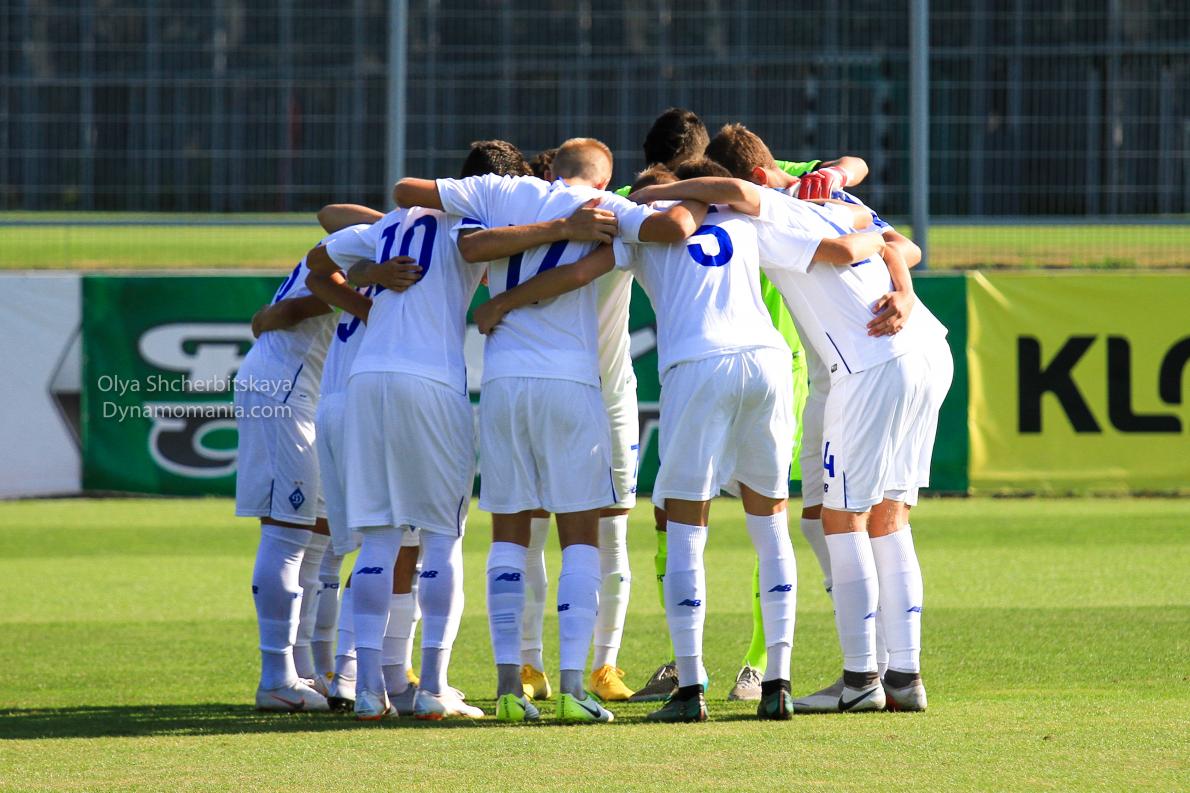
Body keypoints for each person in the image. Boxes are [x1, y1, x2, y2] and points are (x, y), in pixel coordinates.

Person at [633, 132, 951, 712]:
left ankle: (862, 681)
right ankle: (903, 676)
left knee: (842, 521)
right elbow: (894, 242)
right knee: (885, 517)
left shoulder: (770, 211)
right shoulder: (829, 197)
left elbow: (759, 203)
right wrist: (903, 289)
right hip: (924, 346)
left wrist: (659, 192)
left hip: (869, 361)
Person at [393, 137, 699, 723]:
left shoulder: (498, 191)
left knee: (509, 534)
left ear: (551, 166)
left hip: (503, 382)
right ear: (603, 180)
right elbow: (671, 231)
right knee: (581, 536)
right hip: (571, 384)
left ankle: (510, 687)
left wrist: (500, 301)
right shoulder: (607, 209)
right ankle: (573, 687)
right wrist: (698, 196)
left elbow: (407, 191)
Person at [302, 140, 536, 721]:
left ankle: (367, 691)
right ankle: (432, 685)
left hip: (366, 379)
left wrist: (368, 287)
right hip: (431, 380)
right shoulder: (476, 221)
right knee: (441, 537)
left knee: (380, 538)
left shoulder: (393, 223)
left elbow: (315, 263)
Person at [236, 224, 371, 712]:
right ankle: (276, 678)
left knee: (320, 533)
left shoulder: (381, 237)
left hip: (307, 392)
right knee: (288, 531)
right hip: (283, 390)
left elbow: (330, 211)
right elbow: (295, 309)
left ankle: (306, 669)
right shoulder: (382, 240)